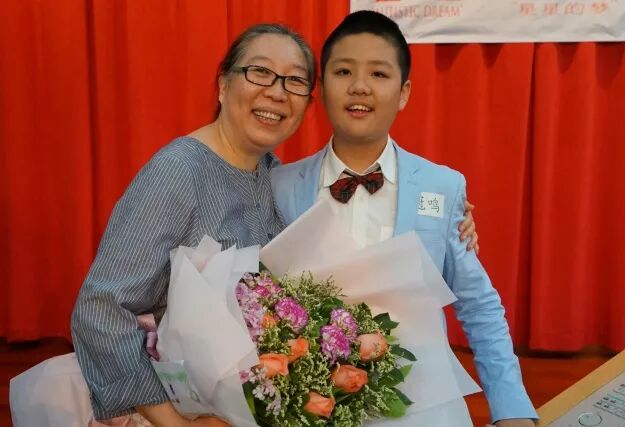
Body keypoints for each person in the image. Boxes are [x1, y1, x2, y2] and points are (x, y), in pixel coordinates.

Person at [66, 21, 479, 426]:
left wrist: (455, 222)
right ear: (223, 84)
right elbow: (100, 308)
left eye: (295, 81)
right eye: (260, 72)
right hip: (181, 408)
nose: (277, 92)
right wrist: (173, 422)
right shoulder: (178, 170)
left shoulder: (270, 175)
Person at [270, 11, 537, 427]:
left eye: (379, 74)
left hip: (423, 408)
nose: (360, 86)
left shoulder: (442, 187)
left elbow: (479, 305)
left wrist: (512, 409)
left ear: (404, 92)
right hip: (314, 409)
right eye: (343, 71)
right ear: (321, 89)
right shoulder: (279, 186)